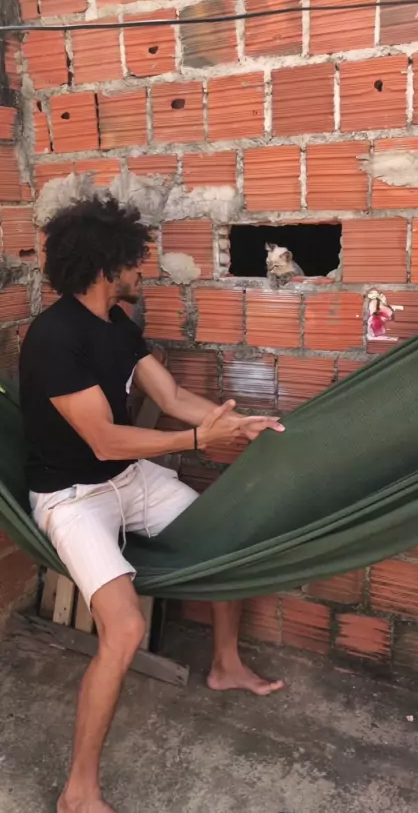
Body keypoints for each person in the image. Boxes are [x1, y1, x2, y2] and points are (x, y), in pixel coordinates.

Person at [19, 196, 285, 813]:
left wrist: (236, 425)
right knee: (126, 628)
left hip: (127, 478)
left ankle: (225, 664)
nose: (144, 269)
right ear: (106, 267)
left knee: (225, 538)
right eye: (135, 260)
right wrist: (196, 442)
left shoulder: (117, 324)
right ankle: (78, 792)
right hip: (71, 496)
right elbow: (103, 439)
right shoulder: (54, 338)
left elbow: (171, 396)